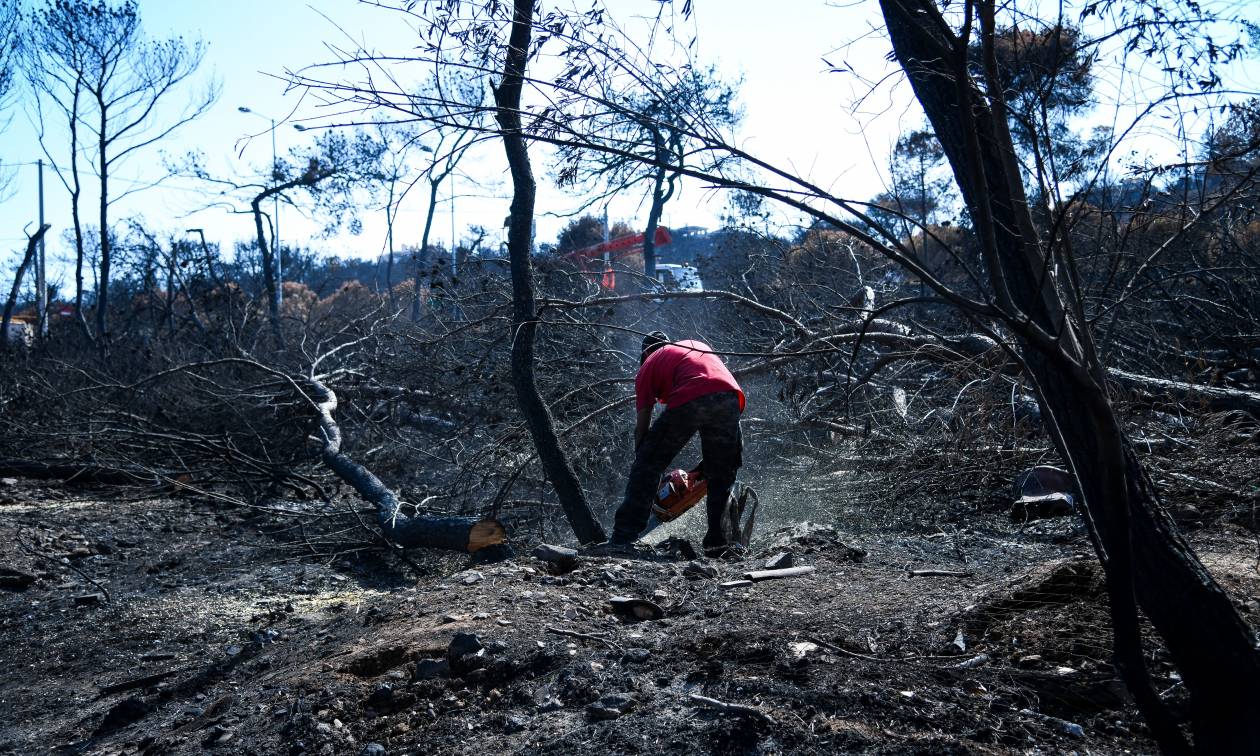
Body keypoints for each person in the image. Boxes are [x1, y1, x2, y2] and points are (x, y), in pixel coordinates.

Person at [603, 331, 745, 556]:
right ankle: (719, 543)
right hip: (730, 398)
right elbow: (711, 386)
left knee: (648, 462)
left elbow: (642, 426)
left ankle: (623, 536)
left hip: (693, 396)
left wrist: (644, 459)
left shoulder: (649, 363)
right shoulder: (695, 345)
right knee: (721, 474)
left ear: (646, 353)